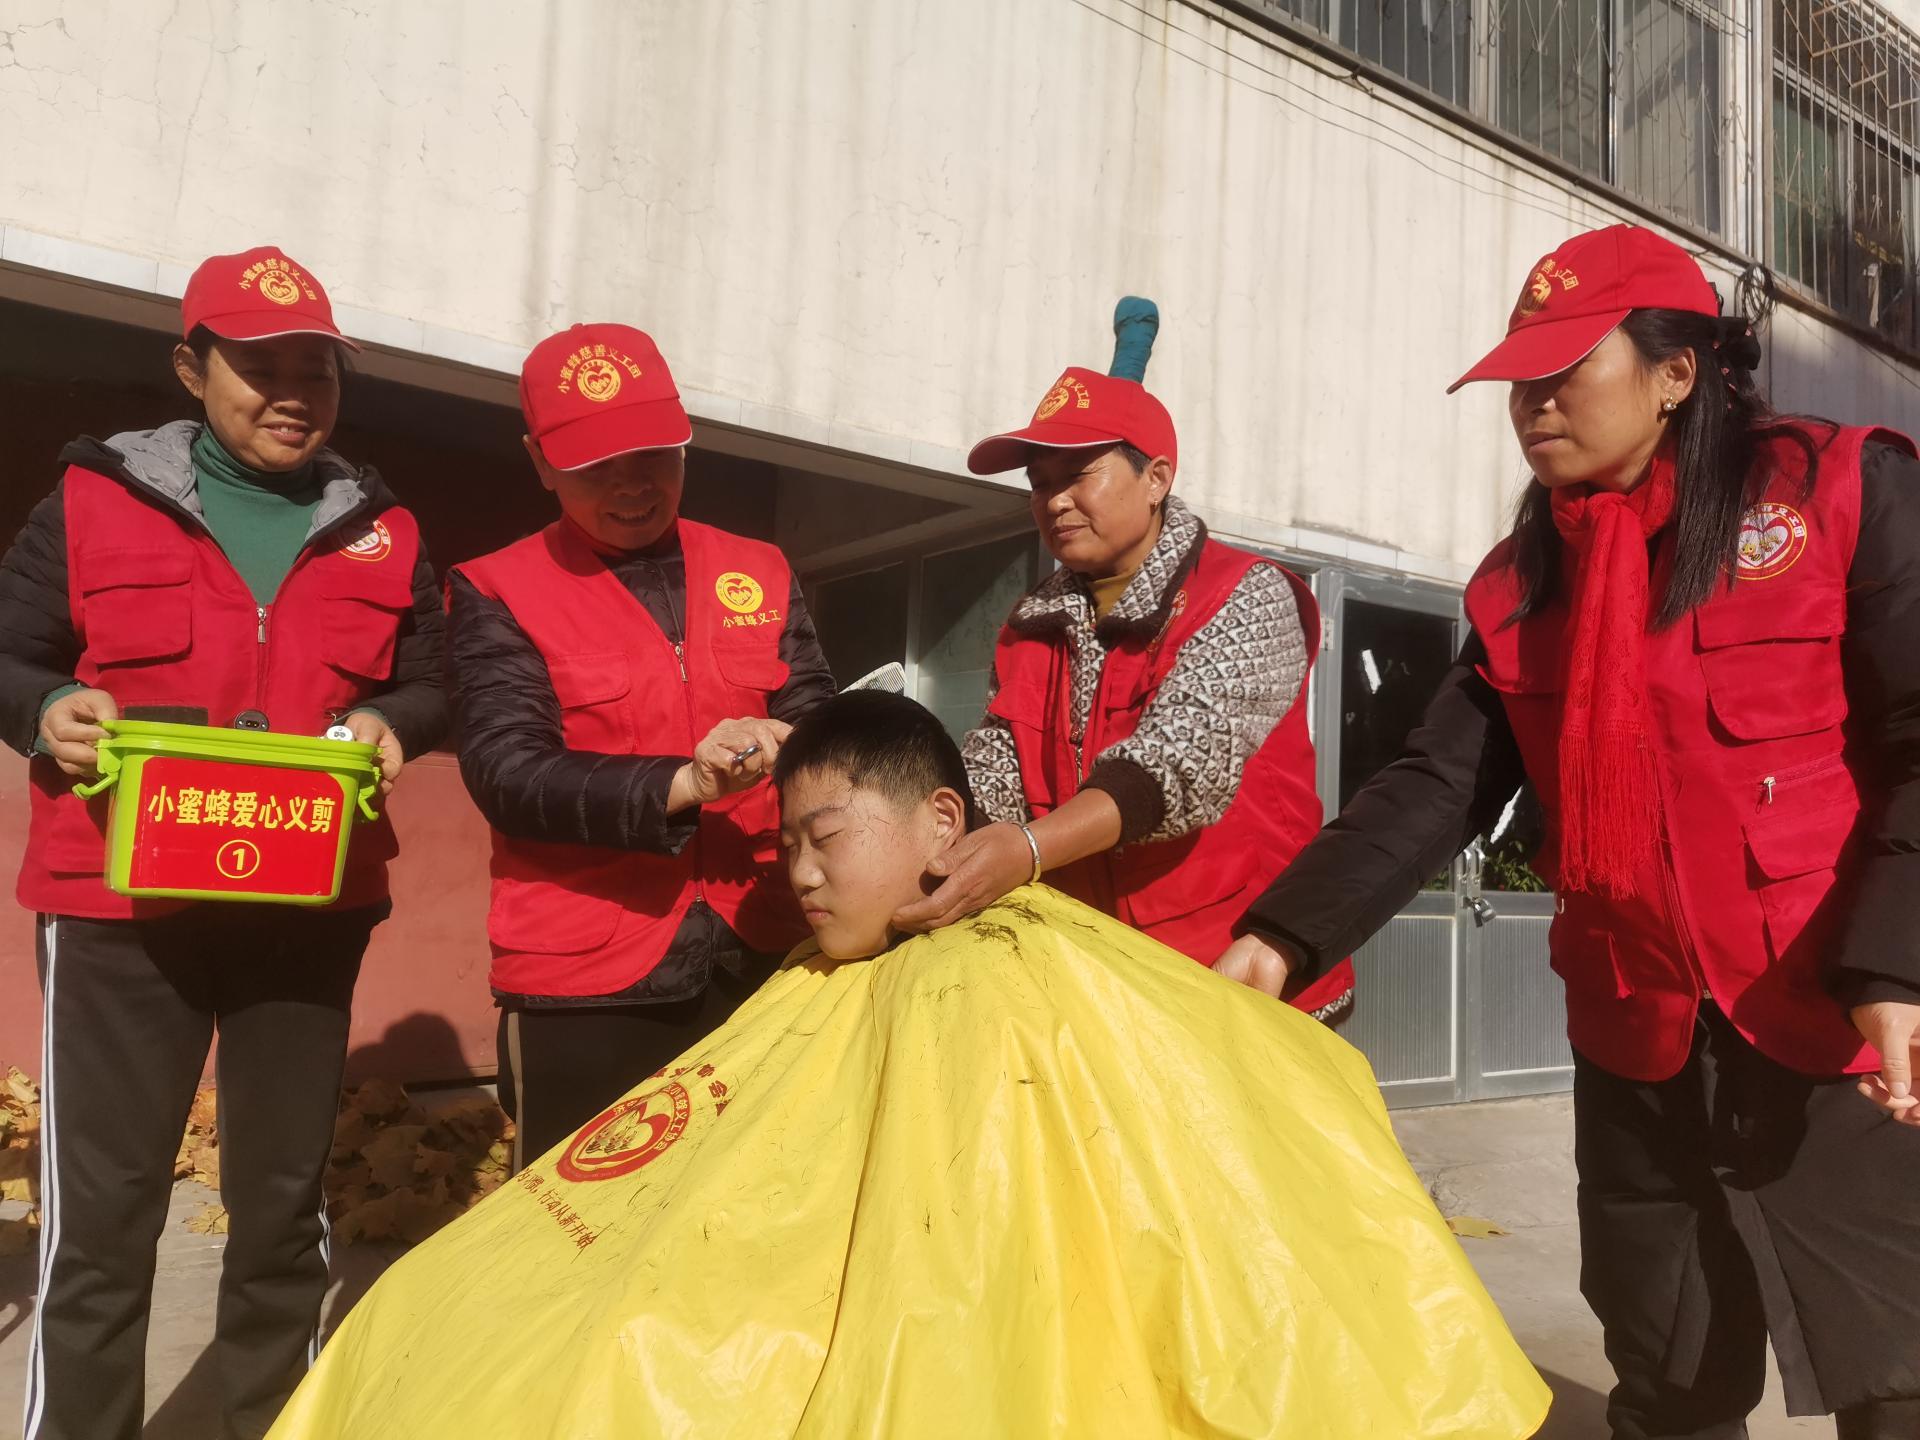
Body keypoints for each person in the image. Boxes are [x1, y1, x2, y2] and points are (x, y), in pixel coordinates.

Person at [262, 691, 1549, 1440]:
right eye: (787, 846)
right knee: (453, 1310)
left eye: (826, 838)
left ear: (943, 826)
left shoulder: (1003, 989)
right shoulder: (823, 982)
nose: (800, 873)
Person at [1221, 224, 1920, 1439]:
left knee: (1895, 1369)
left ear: (1676, 372)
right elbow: (1437, 781)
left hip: (1832, 1015)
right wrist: (1281, 936)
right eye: (1517, 383)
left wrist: (1899, 968)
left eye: (1564, 373)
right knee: (1668, 1374)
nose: (1532, 405)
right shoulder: (1522, 584)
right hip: (1636, 1028)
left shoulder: (1836, 491)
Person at [0, 245, 449, 1440]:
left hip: (306, 906)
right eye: (263, 368)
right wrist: (48, 708)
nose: (294, 394)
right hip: (115, 907)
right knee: (102, 1222)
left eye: (318, 371)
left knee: (281, 1207)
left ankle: (266, 1421)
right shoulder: (92, 499)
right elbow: (10, 653)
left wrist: (393, 722)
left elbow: (431, 681)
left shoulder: (387, 529)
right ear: (192, 369)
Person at [446, 322, 834, 1170]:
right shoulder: (497, 586)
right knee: (572, 1220)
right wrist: (687, 783)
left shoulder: (761, 568)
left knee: (758, 1199)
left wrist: (815, 747)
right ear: (540, 462)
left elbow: (815, 714)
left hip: (765, 944)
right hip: (587, 978)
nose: (630, 485)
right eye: (594, 465)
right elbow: (507, 771)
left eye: (653, 454)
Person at [903, 302, 1353, 1022]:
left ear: (1157, 479)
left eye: (1080, 474)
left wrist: (1027, 849)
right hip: (1100, 984)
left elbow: (1177, 769)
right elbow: (994, 775)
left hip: (1243, 974)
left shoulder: (1248, 594)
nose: (1055, 501)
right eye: (1039, 483)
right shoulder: (1029, 626)